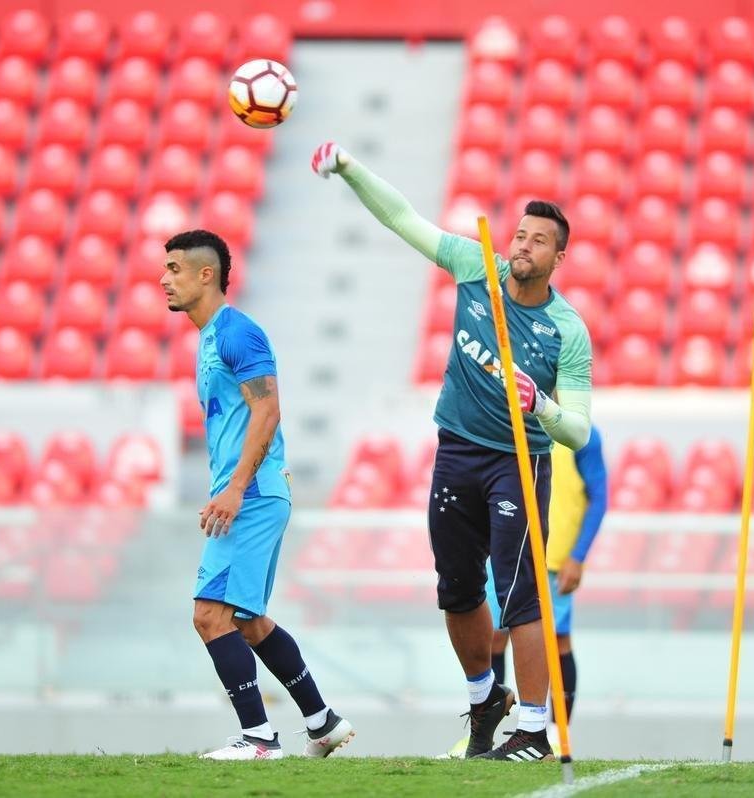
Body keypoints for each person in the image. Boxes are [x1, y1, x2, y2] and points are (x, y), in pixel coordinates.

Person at [313, 143, 593, 761]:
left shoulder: (567, 329)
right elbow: (402, 219)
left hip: (519, 462)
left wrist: (541, 405)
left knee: (521, 595)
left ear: (558, 257)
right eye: (519, 235)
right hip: (456, 451)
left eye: (538, 240)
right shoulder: (477, 267)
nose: (522, 246)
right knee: (458, 589)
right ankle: (483, 699)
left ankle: (533, 729)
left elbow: (579, 431)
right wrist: (352, 168)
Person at [161, 229, 354, 760]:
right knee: (247, 619)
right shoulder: (208, 338)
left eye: (174, 269)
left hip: (253, 495)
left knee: (209, 615)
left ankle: (259, 738)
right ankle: (322, 722)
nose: (164, 279)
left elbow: (268, 410)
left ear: (207, 274)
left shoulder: (238, 333)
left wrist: (235, 489)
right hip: (255, 493)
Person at [447, 425, 608, 758]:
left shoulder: (582, 434)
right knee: (493, 634)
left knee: (557, 639)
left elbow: (599, 497)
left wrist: (577, 557)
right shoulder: (506, 425)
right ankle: (486, 731)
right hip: (504, 551)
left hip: (553, 559)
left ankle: (554, 731)